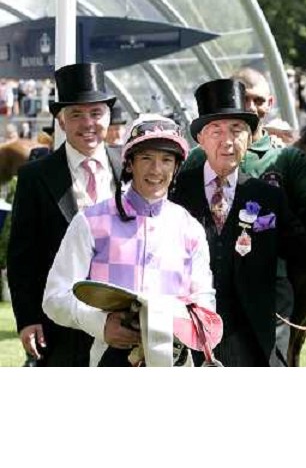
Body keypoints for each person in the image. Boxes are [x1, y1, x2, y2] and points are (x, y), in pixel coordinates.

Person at [171, 78, 306, 367]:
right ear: (201, 139)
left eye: (237, 130)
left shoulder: (266, 196)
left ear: (250, 136)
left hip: (257, 335)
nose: (228, 141)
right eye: (216, 130)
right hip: (189, 332)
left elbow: (303, 251)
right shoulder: (176, 191)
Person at [42, 114, 220, 367]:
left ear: (176, 167)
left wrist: (174, 323)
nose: (156, 170)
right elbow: (55, 298)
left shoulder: (190, 228)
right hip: (110, 359)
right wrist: (101, 324)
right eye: (146, 158)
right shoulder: (90, 222)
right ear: (129, 164)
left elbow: (204, 299)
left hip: (174, 361)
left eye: (166, 160)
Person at [7, 62, 122, 366]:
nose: (88, 123)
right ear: (60, 120)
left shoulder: (132, 166)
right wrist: (28, 318)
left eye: (96, 113)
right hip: (60, 324)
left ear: (108, 116)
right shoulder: (36, 177)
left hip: (122, 321)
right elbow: (22, 256)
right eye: (76, 114)